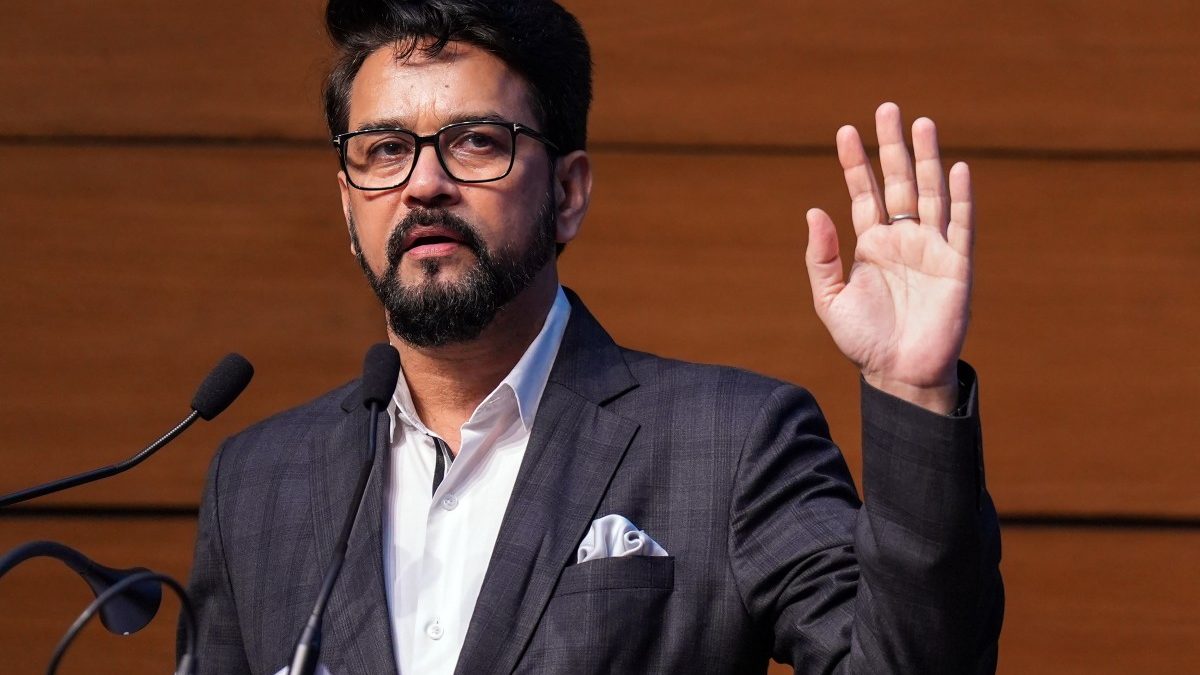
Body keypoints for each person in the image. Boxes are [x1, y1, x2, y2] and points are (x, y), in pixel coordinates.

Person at [183, 1, 1003, 673]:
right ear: (348, 205)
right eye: (385, 149)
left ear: (568, 191)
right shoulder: (257, 484)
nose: (423, 183)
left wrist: (913, 391)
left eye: (475, 141)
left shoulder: (729, 443)